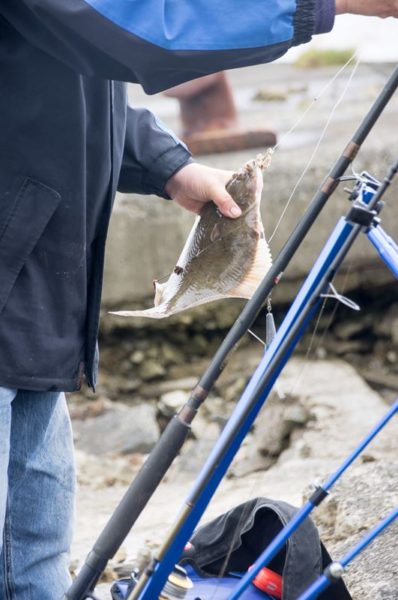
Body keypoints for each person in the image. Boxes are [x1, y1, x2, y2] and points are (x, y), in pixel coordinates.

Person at [0, 1, 397, 598]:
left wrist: (168, 166)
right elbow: (132, 27)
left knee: (36, 565)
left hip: (35, 304)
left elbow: (70, 68)